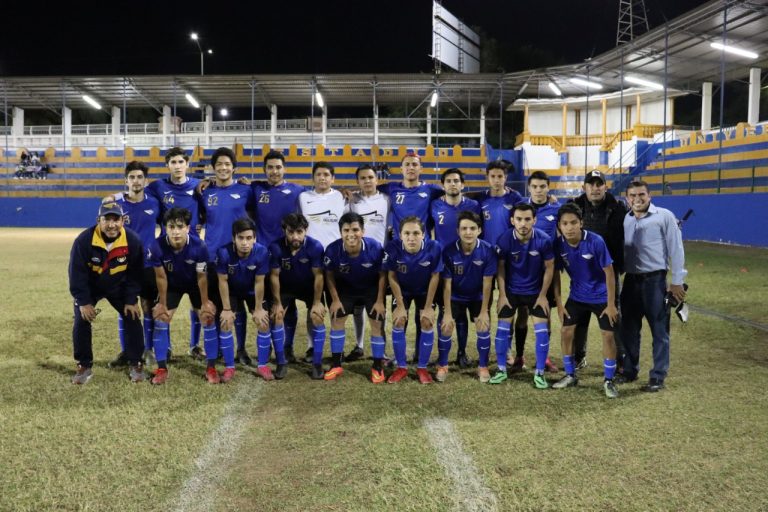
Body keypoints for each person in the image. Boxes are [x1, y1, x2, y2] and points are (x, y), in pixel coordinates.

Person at [618, 180, 686, 392]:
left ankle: (658, 376)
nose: (637, 199)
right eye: (632, 196)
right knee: (629, 329)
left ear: (649, 196)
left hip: (654, 281)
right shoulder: (626, 219)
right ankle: (629, 370)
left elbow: (676, 249)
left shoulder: (664, 216)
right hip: (630, 280)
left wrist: (677, 281)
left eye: (641, 195)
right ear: (627, 198)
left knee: (659, 330)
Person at [68, 202, 146, 384]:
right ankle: (84, 365)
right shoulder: (84, 240)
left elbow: (136, 274)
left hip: (118, 286)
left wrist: (131, 299)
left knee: (132, 316)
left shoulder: (132, 241)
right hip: (91, 287)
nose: (111, 225)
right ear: (98, 221)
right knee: (81, 319)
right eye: (106, 220)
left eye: (116, 219)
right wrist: (84, 301)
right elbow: (76, 274)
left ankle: (136, 362)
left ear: (123, 221)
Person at [551, 203, 620, 399]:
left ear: (581, 223)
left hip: (601, 297)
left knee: (608, 336)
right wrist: (559, 302)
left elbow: (610, 273)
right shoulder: (558, 245)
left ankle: (608, 380)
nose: (569, 227)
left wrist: (611, 304)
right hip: (577, 297)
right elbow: (555, 273)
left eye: (574, 222)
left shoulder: (596, 241)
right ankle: (570, 374)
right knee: (566, 331)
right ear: (559, 226)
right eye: (565, 223)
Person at [145, 147, 204, 360]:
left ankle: (195, 345)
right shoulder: (157, 187)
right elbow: (136, 193)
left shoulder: (199, 186)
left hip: (194, 251)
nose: (177, 166)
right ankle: (166, 347)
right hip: (167, 252)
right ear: (167, 165)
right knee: (164, 303)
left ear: (187, 164)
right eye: (173, 162)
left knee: (198, 303)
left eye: (181, 162)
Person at [146, 208, 216, 385]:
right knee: (161, 319)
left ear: (188, 228)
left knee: (208, 318)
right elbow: (161, 277)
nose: (175, 231)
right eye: (171, 227)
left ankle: (211, 368)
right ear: (165, 228)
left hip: (194, 284)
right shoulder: (156, 246)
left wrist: (206, 302)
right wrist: (162, 304)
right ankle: (161, 368)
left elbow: (202, 277)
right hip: (172, 286)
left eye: (180, 226)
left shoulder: (199, 246)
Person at [198, 147, 255, 365]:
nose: (223, 168)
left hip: (240, 256)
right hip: (213, 257)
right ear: (213, 168)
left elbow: (255, 210)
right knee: (219, 306)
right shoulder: (205, 192)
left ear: (234, 167)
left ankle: (241, 349)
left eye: (227, 164)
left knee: (238, 306)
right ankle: (222, 348)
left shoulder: (245, 190)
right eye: (219, 164)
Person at [251, 150, 308, 363]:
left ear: (284, 169)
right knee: (267, 306)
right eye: (270, 167)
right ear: (264, 169)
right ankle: (266, 351)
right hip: (263, 257)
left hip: (288, 255)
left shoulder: (298, 191)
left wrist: (344, 192)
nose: (274, 171)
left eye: (278, 167)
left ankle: (288, 347)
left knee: (288, 304)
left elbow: (317, 198)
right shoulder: (256, 189)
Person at [569, 170, 628, 369]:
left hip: (608, 273)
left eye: (599, 184)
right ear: (584, 187)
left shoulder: (618, 209)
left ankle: (619, 360)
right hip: (581, 274)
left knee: (613, 317)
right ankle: (579, 357)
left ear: (605, 186)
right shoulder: (574, 207)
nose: (595, 188)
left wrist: (620, 265)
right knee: (579, 318)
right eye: (591, 184)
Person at [493, 203, 555, 388]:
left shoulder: (543, 240)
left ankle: (539, 373)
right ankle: (501, 369)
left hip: (535, 293)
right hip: (511, 292)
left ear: (534, 220)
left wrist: (543, 295)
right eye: (519, 219)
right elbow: (501, 268)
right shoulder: (504, 239)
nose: (523, 223)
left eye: (528, 219)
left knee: (542, 332)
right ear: (512, 220)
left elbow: (550, 268)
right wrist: (502, 295)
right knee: (502, 330)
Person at [108, 161, 161, 368]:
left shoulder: (154, 203)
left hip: (147, 265)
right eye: (132, 177)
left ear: (145, 181)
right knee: (125, 309)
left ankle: (148, 350)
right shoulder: (117, 206)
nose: (136, 181)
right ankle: (128, 351)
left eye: (140, 177)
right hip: (123, 265)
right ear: (126, 180)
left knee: (148, 307)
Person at [323, 212, 387, 382]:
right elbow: (328, 275)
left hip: (371, 289)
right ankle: (336, 364)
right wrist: (335, 300)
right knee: (336, 319)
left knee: (377, 322)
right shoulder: (332, 249)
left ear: (363, 231)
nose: (351, 234)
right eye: (346, 230)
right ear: (340, 232)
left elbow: (383, 275)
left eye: (355, 229)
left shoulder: (375, 247)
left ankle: (377, 367)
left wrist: (380, 301)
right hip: (347, 289)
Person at [430, 168, 482, 368]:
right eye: (449, 181)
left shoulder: (474, 205)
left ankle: (461, 352)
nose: (453, 184)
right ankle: (443, 353)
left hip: (469, 264)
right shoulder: (434, 204)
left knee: (462, 311)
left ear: (462, 184)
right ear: (442, 185)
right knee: (445, 310)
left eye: (456, 180)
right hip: (443, 265)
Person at [510, 171, 561, 373]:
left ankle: (545, 358)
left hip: (547, 269)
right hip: (524, 269)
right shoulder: (521, 206)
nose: (538, 190)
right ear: (528, 188)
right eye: (535, 186)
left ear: (548, 187)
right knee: (522, 312)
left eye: (542, 186)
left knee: (545, 314)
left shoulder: (557, 208)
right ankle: (520, 357)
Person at [383, 216, 443, 384]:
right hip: (403, 291)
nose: (411, 237)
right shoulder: (393, 247)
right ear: (400, 235)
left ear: (423, 234)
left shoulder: (434, 247)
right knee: (399, 320)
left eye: (416, 233)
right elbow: (392, 276)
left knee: (426, 321)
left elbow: (435, 276)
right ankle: (401, 368)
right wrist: (400, 305)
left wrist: (429, 307)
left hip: (425, 291)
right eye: (407, 233)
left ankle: (422, 368)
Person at [438, 211, 496, 383]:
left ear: (479, 230)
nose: (468, 232)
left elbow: (488, 284)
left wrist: (485, 311)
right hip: (455, 296)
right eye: (464, 228)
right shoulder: (448, 251)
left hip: (478, 297)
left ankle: (483, 367)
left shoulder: (487, 250)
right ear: (458, 231)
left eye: (472, 228)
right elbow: (446, 285)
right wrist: (447, 312)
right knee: (445, 326)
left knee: (483, 326)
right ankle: (442, 365)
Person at [268, 213, 328, 380]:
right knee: (277, 316)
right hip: (286, 287)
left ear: (305, 230)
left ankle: (316, 363)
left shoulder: (315, 247)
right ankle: (281, 362)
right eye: (291, 232)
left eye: (299, 232)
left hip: (309, 288)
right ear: (284, 231)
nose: (295, 236)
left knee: (317, 316)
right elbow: (274, 276)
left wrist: (317, 302)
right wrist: (277, 302)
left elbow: (318, 276)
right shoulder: (275, 247)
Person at [344, 163, 391, 361]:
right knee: (357, 306)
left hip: (379, 260)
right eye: (363, 178)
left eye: (370, 177)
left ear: (377, 179)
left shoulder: (387, 200)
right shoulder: (352, 202)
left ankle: (382, 349)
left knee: (379, 305)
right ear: (358, 182)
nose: (367, 181)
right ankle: (359, 345)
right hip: (356, 259)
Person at [216, 218, 272, 382]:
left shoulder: (261, 252)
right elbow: (222, 281)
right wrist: (226, 309)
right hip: (232, 291)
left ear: (255, 238)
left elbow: (259, 282)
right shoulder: (223, 253)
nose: (245, 243)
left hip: (252, 291)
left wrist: (259, 308)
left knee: (263, 322)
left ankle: (262, 365)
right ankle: (229, 367)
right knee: (225, 322)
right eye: (241, 238)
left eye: (249, 238)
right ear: (234, 238)